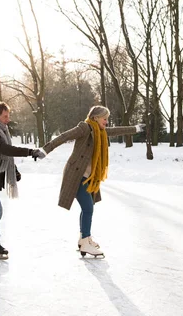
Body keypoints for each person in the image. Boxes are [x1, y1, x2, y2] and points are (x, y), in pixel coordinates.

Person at [41, 105, 143, 258]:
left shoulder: (99, 131)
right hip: (77, 175)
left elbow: (115, 131)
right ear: (95, 118)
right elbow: (64, 136)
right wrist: (44, 150)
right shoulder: (84, 128)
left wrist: (134, 128)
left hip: (90, 176)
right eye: (105, 118)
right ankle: (85, 241)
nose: (107, 122)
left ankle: (85, 238)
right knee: (88, 208)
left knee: (88, 207)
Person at [0, 102, 45, 259]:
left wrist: (14, 170)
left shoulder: (0, 129)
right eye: (5, 116)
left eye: (8, 116)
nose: (8, 119)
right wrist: (30, 151)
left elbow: (5, 154)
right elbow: (4, 149)